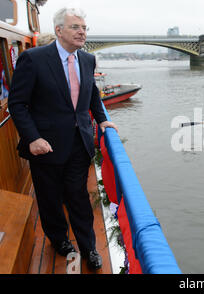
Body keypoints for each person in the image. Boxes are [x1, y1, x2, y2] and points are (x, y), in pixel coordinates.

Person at [8, 7, 118, 270]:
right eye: (75, 27)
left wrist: (102, 119)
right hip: (44, 147)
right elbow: (17, 103)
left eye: (84, 28)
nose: (82, 32)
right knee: (49, 198)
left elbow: (91, 95)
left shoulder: (88, 60)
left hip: (79, 143)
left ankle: (89, 248)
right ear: (59, 31)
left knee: (78, 198)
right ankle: (59, 240)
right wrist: (32, 138)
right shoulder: (33, 59)